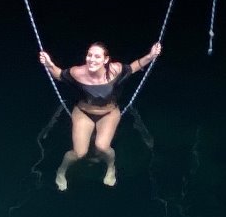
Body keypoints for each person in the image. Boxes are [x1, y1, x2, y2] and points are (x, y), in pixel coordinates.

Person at [38, 41, 161, 190]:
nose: (92, 59)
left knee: (102, 147)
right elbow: (59, 75)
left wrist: (151, 55)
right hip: (83, 113)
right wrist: (49, 64)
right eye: (89, 55)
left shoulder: (115, 69)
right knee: (79, 153)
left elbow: (135, 66)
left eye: (97, 56)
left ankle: (110, 167)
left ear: (106, 60)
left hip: (109, 113)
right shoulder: (77, 72)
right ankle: (61, 170)